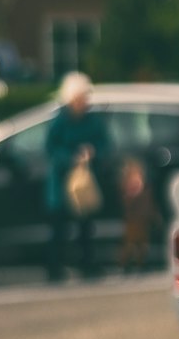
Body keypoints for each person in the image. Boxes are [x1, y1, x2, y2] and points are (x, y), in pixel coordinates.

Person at [45, 71, 110, 282]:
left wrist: (92, 152)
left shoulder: (93, 121)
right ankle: (55, 266)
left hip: (86, 182)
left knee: (85, 225)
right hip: (62, 181)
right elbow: (50, 149)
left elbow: (105, 143)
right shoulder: (60, 121)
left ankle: (86, 264)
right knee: (59, 227)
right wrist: (71, 158)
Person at [117, 156, 159, 273]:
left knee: (142, 243)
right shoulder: (130, 188)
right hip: (133, 219)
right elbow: (127, 202)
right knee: (131, 243)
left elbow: (150, 204)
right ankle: (125, 263)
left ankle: (140, 263)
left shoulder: (145, 188)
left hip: (143, 218)